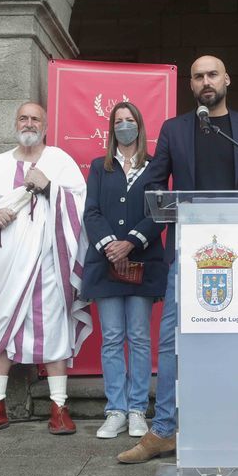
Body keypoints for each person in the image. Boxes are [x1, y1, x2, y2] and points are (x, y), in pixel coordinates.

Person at [117, 54, 238, 464]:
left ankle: (229, 425)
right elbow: (154, 186)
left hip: (237, 254)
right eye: (198, 77)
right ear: (190, 85)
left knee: (233, 338)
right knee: (174, 341)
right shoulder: (174, 130)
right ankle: (164, 430)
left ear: (226, 78)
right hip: (186, 254)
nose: (206, 81)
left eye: (212, 74)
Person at [0, 102, 90, 437]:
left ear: (45, 125)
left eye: (35, 118)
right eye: (23, 117)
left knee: (53, 328)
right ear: (15, 123)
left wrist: (50, 187)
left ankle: (59, 407)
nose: (29, 122)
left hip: (49, 264)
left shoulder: (60, 161)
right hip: (5, 263)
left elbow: (82, 206)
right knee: (1, 326)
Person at [81, 102, 167, 439]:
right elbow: (92, 212)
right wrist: (109, 245)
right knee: (113, 338)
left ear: (140, 125)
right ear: (111, 128)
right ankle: (115, 410)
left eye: (130, 120)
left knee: (140, 338)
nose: (125, 126)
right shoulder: (100, 167)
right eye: (119, 121)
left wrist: (130, 242)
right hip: (106, 264)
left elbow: (160, 211)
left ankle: (136, 410)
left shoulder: (154, 166)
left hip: (142, 262)